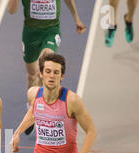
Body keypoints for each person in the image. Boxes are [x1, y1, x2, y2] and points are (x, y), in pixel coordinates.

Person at [7, 0, 86, 135]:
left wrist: (77, 18)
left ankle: (41, 111)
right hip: (30, 34)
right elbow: (11, 10)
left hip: (51, 31)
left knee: (44, 66)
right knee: (32, 74)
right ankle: (30, 107)